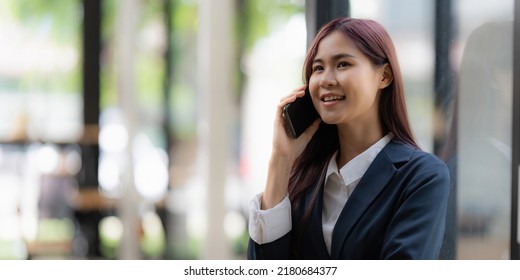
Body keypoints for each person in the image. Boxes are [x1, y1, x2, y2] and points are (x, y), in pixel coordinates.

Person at [247, 17, 450, 260]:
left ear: (384, 76)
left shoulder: (421, 177)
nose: (326, 80)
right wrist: (280, 159)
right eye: (318, 68)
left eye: (342, 64)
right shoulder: (303, 181)